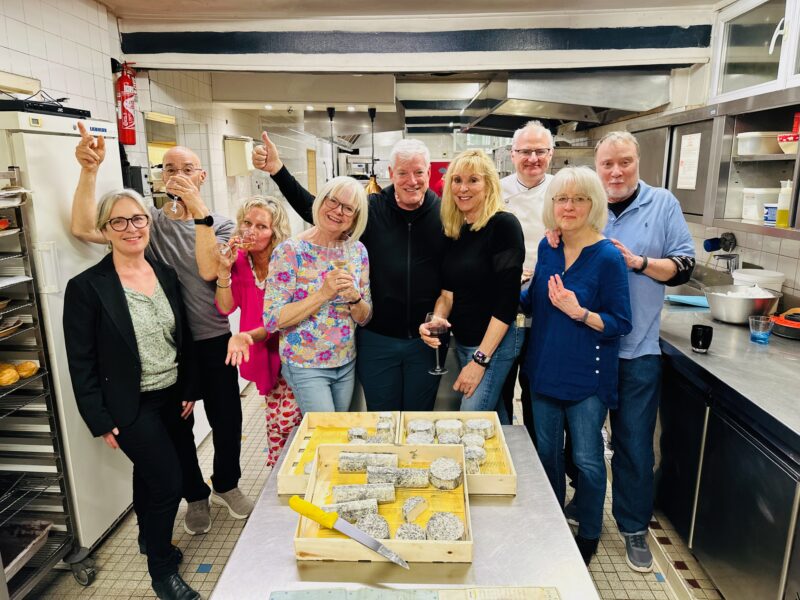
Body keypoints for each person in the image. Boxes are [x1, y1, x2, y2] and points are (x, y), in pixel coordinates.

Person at [70, 122, 253, 534]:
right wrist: (88, 171)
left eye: (187, 168)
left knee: (228, 419)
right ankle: (195, 496)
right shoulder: (144, 223)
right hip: (169, 347)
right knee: (180, 428)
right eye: (169, 169)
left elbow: (209, 269)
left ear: (201, 175)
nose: (177, 176)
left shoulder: (219, 224)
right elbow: (84, 227)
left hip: (213, 339)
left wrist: (198, 209)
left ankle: (227, 484)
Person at [64, 190, 202, 600]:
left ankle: (147, 537)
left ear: (149, 223)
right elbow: (81, 359)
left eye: (138, 219)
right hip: (129, 405)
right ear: (105, 231)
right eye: (118, 222)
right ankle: (162, 573)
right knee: (168, 483)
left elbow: (184, 338)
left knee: (149, 474)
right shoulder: (88, 287)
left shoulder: (165, 273)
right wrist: (99, 417)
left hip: (172, 396)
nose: (131, 229)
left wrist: (190, 387)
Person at [253, 134, 447, 411]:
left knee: (419, 417)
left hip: (424, 341)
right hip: (377, 340)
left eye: (418, 172)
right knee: (381, 418)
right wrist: (278, 171)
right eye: (403, 173)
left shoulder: (444, 214)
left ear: (429, 173)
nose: (411, 181)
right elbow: (321, 211)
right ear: (391, 173)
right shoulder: (372, 209)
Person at [592, 131, 695, 571]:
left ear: (637, 163)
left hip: (638, 350)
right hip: (588, 348)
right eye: (608, 164)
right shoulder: (584, 202)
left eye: (625, 163)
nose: (616, 172)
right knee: (580, 441)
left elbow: (684, 265)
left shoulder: (663, 204)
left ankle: (633, 526)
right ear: (597, 167)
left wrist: (639, 263)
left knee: (633, 443)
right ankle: (584, 509)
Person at [520, 167, 632, 565]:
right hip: (544, 370)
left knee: (586, 458)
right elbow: (532, 302)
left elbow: (620, 322)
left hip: (588, 376)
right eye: (561, 199)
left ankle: (588, 529)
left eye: (578, 199)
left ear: (593, 204)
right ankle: (552, 518)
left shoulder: (607, 257)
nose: (568, 207)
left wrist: (580, 312)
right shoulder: (549, 247)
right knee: (546, 453)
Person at [419, 149, 525, 422]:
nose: (463, 188)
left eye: (473, 180)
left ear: (488, 185)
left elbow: (506, 302)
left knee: (470, 420)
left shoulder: (504, 225)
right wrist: (439, 318)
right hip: (465, 340)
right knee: (492, 420)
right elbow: (447, 292)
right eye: (457, 180)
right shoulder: (455, 230)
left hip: (494, 343)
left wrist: (480, 361)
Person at [263, 176, 371, 412]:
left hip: (345, 361)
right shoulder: (290, 252)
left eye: (348, 208)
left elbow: (364, 317)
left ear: (355, 217)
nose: (338, 211)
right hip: (306, 364)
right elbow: (273, 320)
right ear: (320, 201)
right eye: (332, 201)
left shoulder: (357, 251)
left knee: (336, 432)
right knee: (323, 433)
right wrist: (323, 294)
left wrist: (355, 298)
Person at [215, 196, 300, 467]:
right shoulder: (239, 260)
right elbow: (226, 307)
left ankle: (294, 469)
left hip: (291, 348)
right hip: (261, 348)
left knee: (291, 419)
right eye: (247, 223)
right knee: (276, 419)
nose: (251, 231)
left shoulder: (287, 259)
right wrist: (223, 271)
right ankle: (279, 475)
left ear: (275, 231)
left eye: (261, 226)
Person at [499, 120, 555, 441]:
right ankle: (506, 457)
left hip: (548, 307)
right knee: (502, 391)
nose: (532, 158)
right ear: (512, 154)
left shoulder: (564, 190)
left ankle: (541, 466)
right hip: (505, 309)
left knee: (537, 393)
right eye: (525, 151)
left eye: (540, 151)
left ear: (551, 153)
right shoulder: (498, 191)